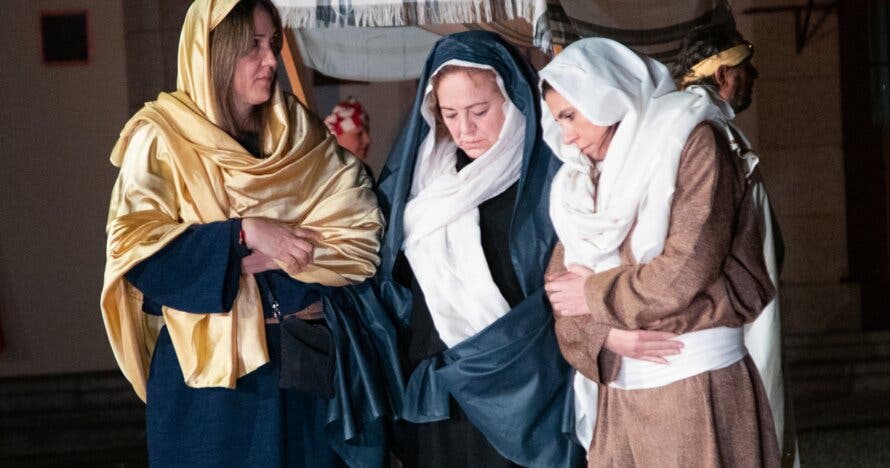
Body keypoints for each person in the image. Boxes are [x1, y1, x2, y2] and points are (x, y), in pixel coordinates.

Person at [100, 0, 386, 466]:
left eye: (272, 43)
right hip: (211, 390)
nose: (270, 59)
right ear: (213, 51)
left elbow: (359, 224)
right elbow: (137, 251)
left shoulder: (296, 130)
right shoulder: (162, 139)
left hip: (303, 366)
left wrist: (271, 252)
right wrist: (245, 233)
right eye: (253, 46)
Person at [540, 38, 781, 467]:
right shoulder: (580, 180)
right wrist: (606, 337)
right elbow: (561, 290)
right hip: (619, 402)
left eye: (571, 115)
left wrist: (595, 295)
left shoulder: (691, 142)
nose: (567, 136)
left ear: (608, 93)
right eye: (559, 120)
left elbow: (685, 271)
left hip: (696, 390)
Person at [353, 31, 583, 467]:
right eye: (450, 114)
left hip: (526, 392)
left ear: (512, 98)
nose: (465, 129)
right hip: (440, 394)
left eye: (479, 111)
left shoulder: (551, 179)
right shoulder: (422, 184)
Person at [674, 24, 799, 467]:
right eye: (747, 67)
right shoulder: (706, 133)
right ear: (723, 74)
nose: (754, 75)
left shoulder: (710, 126)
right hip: (734, 316)